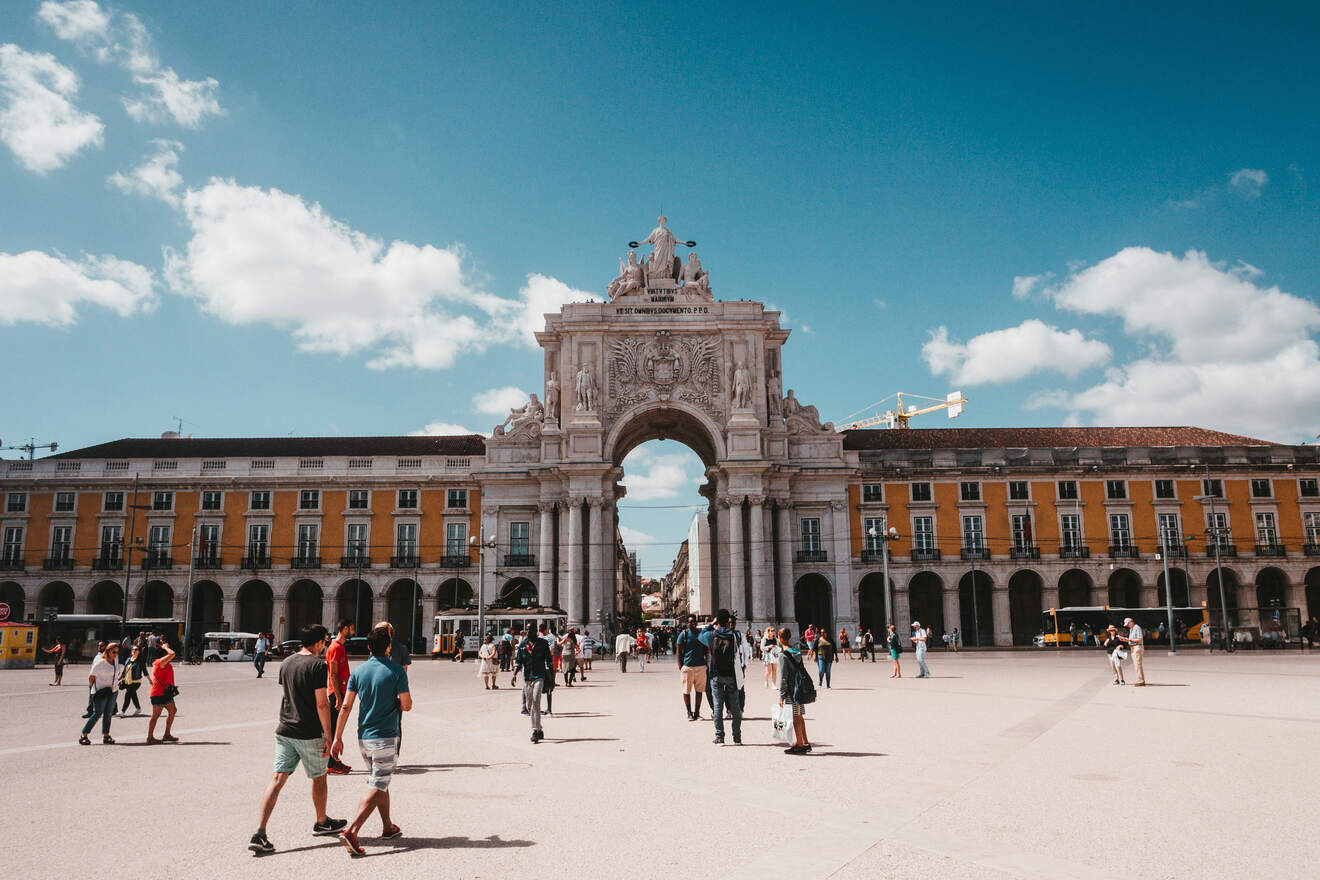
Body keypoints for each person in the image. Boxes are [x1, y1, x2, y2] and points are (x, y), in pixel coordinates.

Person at [248, 624, 347, 854]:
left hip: (284, 730)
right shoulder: (317, 665)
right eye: (324, 640)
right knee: (319, 778)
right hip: (309, 732)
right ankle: (322, 822)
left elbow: (288, 694)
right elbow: (322, 704)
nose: (325, 645)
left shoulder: (287, 662)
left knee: (277, 779)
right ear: (318, 642)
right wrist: (329, 735)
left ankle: (260, 832)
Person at [330, 625, 412, 857]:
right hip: (386, 736)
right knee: (377, 783)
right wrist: (398, 702)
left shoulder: (358, 672)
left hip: (363, 737)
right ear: (388, 647)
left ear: (368, 647)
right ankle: (352, 831)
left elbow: (345, 706)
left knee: (379, 780)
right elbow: (406, 704)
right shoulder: (397, 671)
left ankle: (387, 826)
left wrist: (337, 738)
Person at [706, 609, 743, 745]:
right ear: (728, 620)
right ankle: (737, 738)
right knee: (735, 707)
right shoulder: (733, 635)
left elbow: (701, 635)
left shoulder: (711, 634)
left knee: (717, 707)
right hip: (730, 674)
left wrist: (712, 623)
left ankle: (720, 737)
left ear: (717, 620)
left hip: (716, 674)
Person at [513, 623, 553, 743]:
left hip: (539, 676)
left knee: (536, 702)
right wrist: (514, 674)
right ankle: (540, 729)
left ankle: (535, 731)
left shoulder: (543, 643)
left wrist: (552, 679)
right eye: (528, 630)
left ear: (536, 631)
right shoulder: (523, 644)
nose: (530, 632)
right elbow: (518, 661)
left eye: (532, 630)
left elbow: (549, 662)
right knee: (530, 705)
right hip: (527, 678)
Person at [776, 627, 811, 754]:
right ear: (790, 637)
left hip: (792, 690)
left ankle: (800, 745)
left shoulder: (783, 655)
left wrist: (781, 696)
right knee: (800, 715)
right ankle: (805, 742)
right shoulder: (796, 651)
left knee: (796, 717)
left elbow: (784, 677)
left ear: (779, 639)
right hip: (800, 688)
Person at [325, 620, 354, 775]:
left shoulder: (340, 647)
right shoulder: (335, 647)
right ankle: (331, 764)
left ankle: (333, 762)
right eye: (351, 629)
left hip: (340, 692)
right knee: (334, 729)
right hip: (337, 694)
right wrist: (338, 697)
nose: (353, 631)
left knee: (336, 729)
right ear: (344, 629)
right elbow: (334, 674)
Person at [80, 642, 121, 745]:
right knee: (97, 713)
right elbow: (91, 677)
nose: (116, 654)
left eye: (117, 652)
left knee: (108, 714)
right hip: (101, 691)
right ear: (107, 651)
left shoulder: (115, 660)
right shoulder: (100, 662)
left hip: (113, 691)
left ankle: (106, 735)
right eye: (114, 652)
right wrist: (95, 690)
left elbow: (117, 674)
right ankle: (84, 735)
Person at [675, 615, 709, 721]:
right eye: (691, 622)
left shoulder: (701, 634)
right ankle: (689, 712)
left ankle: (697, 713)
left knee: (699, 691)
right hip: (687, 667)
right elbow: (678, 651)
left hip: (700, 666)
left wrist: (706, 663)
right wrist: (680, 666)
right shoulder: (683, 634)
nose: (693, 623)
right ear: (687, 623)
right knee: (687, 691)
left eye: (694, 621)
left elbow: (706, 649)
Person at [146, 636, 179, 744]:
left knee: (173, 711)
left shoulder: (165, 663)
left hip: (166, 693)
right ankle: (150, 737)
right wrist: (165, 647)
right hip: (158, 693)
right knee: (156, 715)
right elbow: (172, 654)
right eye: (166, 648)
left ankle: (167, 734)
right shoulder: (159, 662)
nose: (168, 648)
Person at [119, 644, 149, 716]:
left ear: (139, 652)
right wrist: (119, 678)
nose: (134, 651)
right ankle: (138, 709)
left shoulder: (140, 661)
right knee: (133, 695)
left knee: (128, 695)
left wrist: (150, 680)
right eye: (133, 649)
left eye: (136, 649)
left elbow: (145, 671)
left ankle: (122, 711)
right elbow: (125, 670)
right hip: (127, 681)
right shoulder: (128, 659)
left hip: (136, 682)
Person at [1121, 617, 1145, 686]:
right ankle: (1140, 680)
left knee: (1137, 665)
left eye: (1128, 624)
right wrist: (1126, 640)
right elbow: (1132, 639)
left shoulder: (1137, 628)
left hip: (1137, 647)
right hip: (1133, 647)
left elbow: (1140, 639)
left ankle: (1141, 681)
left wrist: (1129, 640)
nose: (1127, 626)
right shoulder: (1132, 629)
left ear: (1131, 622)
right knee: (1137, 665)